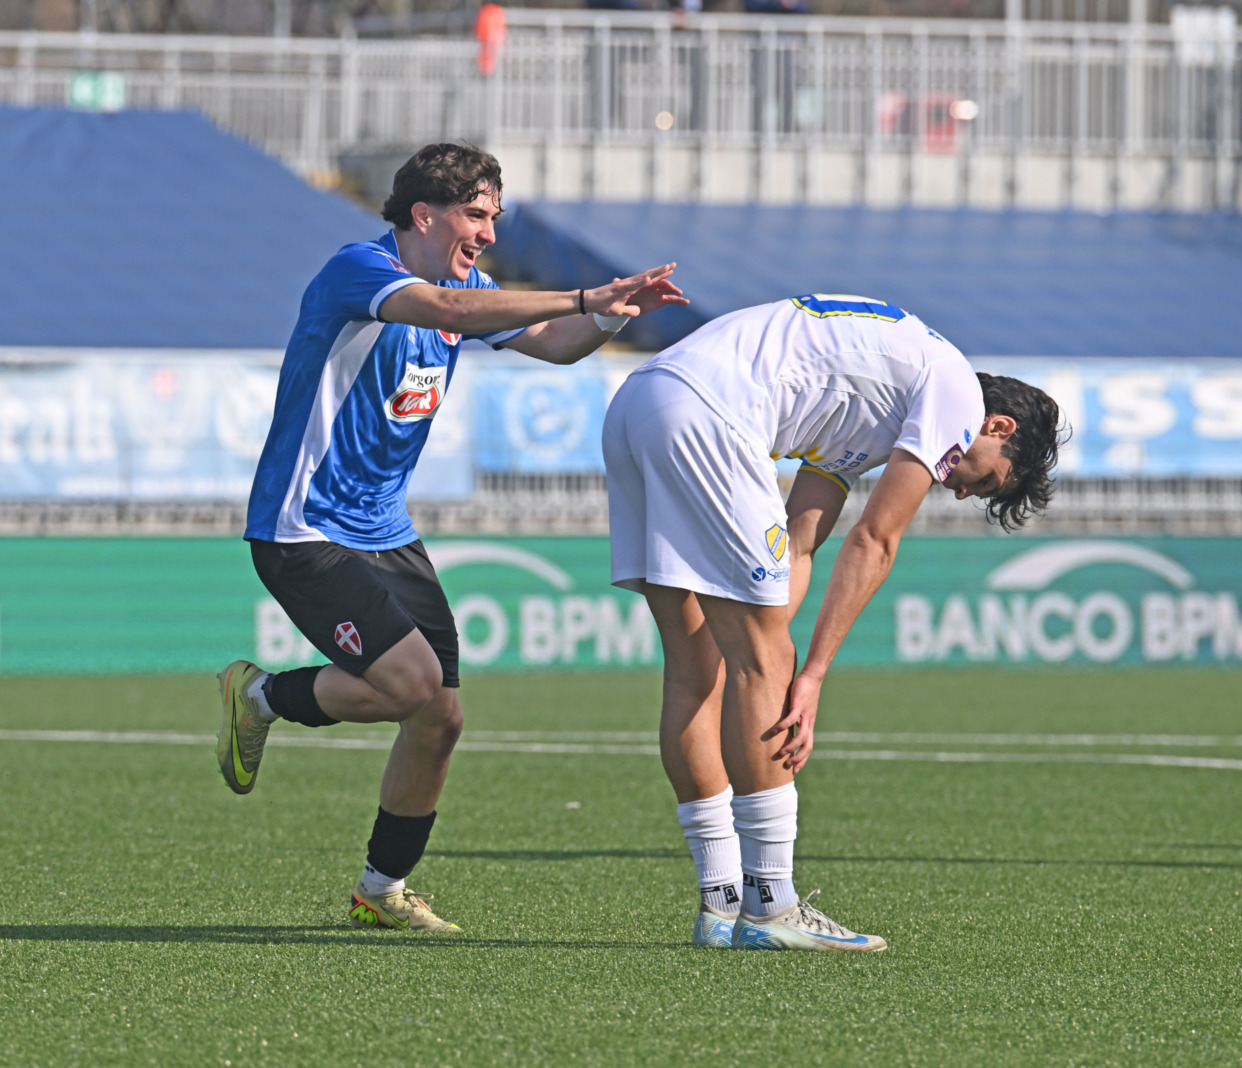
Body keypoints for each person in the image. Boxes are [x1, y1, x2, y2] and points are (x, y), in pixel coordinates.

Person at [216, 142, 686, 933]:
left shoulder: (469, 284)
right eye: (476, 215)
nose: (489, 234)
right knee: (409, 685)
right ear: (424, 214)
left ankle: (380, 889)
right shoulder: (358, 271)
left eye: (495, 217)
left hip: (386, 528)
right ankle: (260, 695)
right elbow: (448, 314)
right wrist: (580, 294)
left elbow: (554, 345)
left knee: (442, 717)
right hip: (304, 525)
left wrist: (608, 314)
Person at [602, 293, 1063, 951]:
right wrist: (807, 674)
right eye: (985, 482)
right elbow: (875, 540)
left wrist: (775, 648)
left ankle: (721, 904)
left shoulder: (877, 404)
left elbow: (801, 540)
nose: (960, 489)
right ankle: (772, 907)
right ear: (1000, 428)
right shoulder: (955, 394)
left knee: (698, 662)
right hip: (708, 414)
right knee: (764, 660)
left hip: (639, 403)